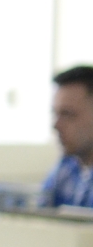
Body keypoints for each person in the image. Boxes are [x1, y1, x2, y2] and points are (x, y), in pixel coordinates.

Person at [42, 65, 93, 208]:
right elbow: (40, 214)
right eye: (55, 114)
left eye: (67, 114)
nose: (56, 125)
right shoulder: (67, 167)